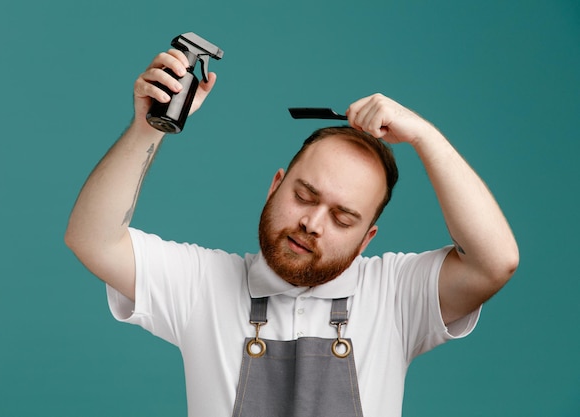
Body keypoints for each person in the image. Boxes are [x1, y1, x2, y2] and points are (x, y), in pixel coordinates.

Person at [65, 48, 519, 417]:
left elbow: (494, 262)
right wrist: (148, 128)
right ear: (275, 185)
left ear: (367, 240)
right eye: (304, 196)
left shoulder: (396, 296)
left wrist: (425, 136)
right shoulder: (202, 285)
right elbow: (93, 239)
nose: (313, 224)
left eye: (342, 219)